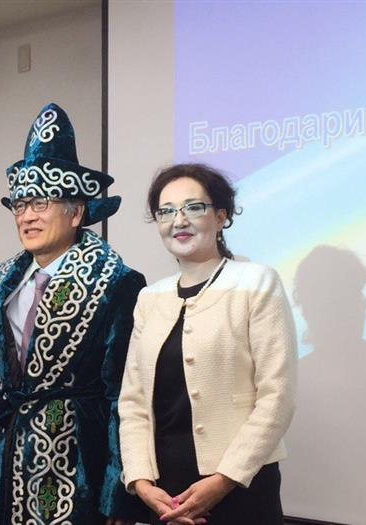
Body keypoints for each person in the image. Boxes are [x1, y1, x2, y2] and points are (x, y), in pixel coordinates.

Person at [0, 103, 148, 524]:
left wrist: (117, 494)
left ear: (76, 212)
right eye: (19, 205)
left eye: (40, 203)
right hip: (3, 470)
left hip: (76, 465)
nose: (27, 216)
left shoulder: (117, 283)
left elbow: (122, 396)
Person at [118, 163, 297, 525]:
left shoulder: (256, 282)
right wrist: (140, 482)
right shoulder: (150, 298)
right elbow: (133, 402)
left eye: (193, 207)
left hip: (241, 487)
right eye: (166, 211)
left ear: (220, 216)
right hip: (165, 494)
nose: (178, 220)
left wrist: (224, 480)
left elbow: (276, 396)